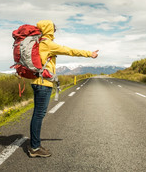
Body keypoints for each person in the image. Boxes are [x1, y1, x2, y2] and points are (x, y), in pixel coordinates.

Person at [28, 20, 99, 158]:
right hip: (44, 84)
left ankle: (34, 144)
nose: (54, 31)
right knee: (39, 115)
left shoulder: (38, 43)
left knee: (37, 114)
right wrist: (89, 54)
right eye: (53, 29)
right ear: (48, 29)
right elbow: (69, 51)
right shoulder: (47, 43)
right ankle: (35, 148)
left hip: (36, 81)